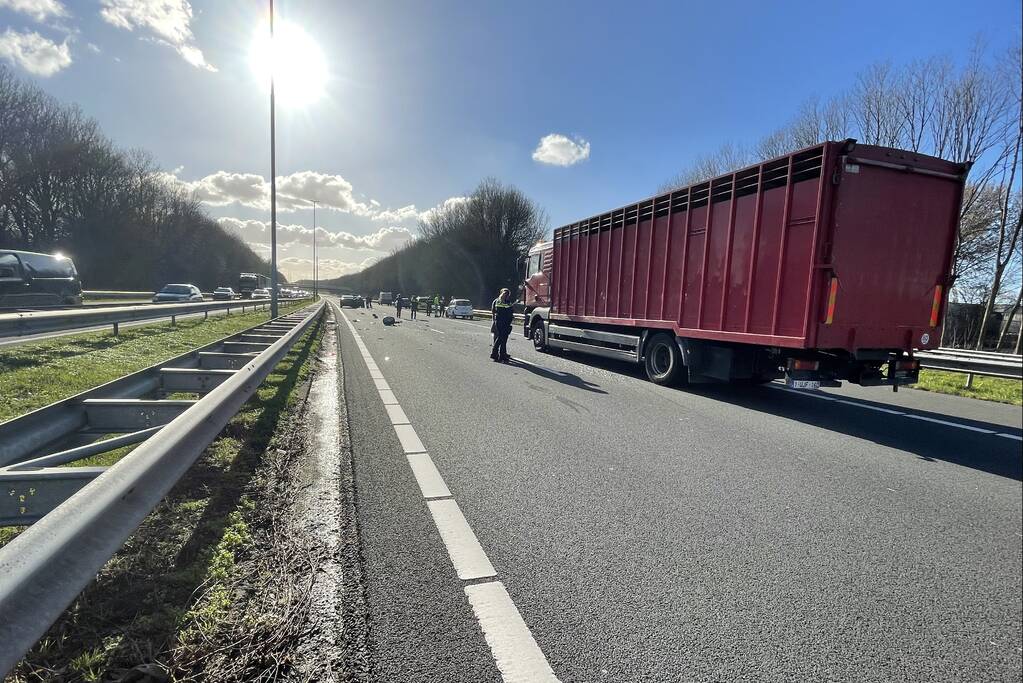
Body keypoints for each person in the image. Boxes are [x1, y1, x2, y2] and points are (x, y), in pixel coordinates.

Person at [490, 288, 514, 362]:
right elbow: (509, 311)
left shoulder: (498, 301)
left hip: (500, 322)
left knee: (501, 338)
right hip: (503, 323)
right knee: (502, 338)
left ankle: (500, 354)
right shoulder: (505, 302)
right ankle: (496, 354)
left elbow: (494, 312)